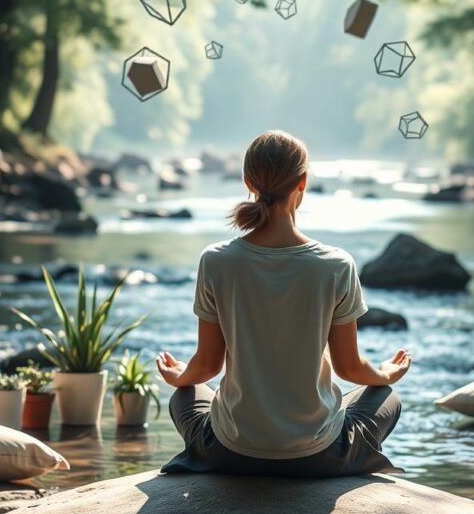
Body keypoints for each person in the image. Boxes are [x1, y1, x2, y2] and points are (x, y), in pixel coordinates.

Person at [157, 129, 411, 478]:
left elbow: (207, 365)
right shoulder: (336, 265)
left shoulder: (215, 260)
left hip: (229, 451)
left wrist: (179, 377)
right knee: (387, 396)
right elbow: (350, 369)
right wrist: (385, 373)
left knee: (185, 395)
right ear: (303, 182)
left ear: (247, 181)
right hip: (317, 456)